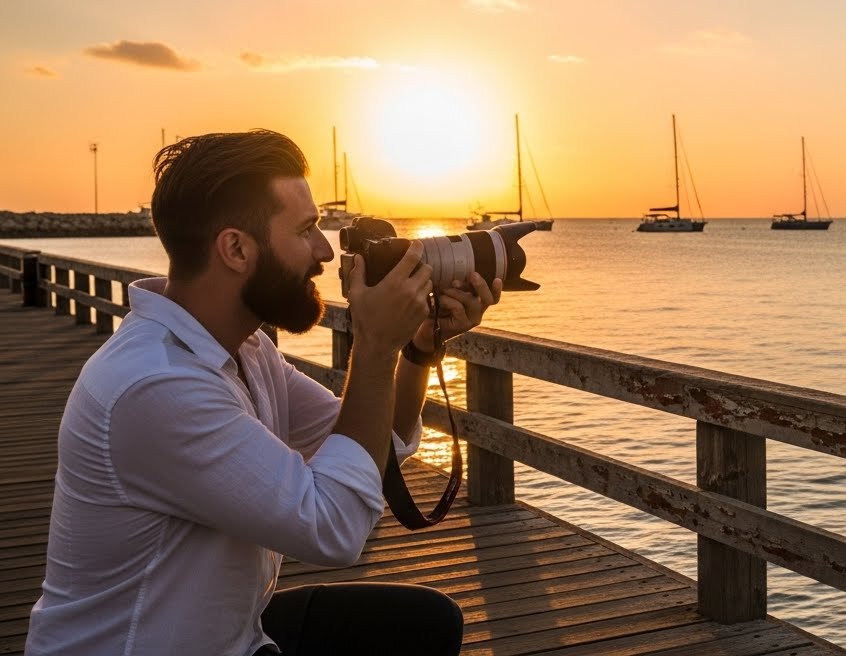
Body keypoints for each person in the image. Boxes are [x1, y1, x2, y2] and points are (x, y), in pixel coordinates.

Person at [26, 130, 500, 656]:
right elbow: (334, 527)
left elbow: (372, 444)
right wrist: (374, 346)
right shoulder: (156, 386)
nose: (325, 251)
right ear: (235, 248)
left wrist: (415, 350)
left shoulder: (245, 348)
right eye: (306, 229)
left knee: (422, 622)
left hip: (235, 633)